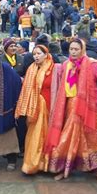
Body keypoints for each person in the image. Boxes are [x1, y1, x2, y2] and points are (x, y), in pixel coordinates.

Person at [46, 39, 97, 181]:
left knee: (93, 139)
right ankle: (64, 168)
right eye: (71, 49)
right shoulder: (66, 65)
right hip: (70, 107)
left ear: (82, 50)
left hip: (90, 108)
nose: (73, 52)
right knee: (67, 137)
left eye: (76, 49)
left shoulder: (93, 65)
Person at [15, 45, 60, 174]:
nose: (36, 56)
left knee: (48, 136)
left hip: (50, 107)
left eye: (39, 53)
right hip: (34, 108)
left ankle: (47, 164)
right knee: (34, 135)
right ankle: (33, 163)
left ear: (46, 54)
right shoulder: (31, 69)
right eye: (34, 54)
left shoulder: (55, 69)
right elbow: (25, 90)